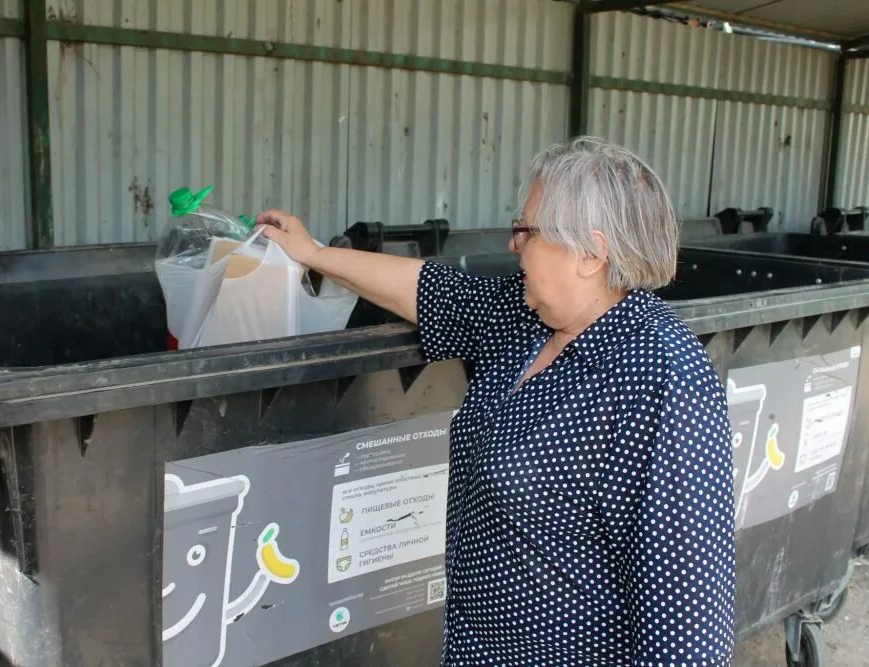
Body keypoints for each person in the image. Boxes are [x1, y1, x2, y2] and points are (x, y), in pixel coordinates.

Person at [257, 136, 735, 666]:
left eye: (525, 230)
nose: (514, 243)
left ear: (591, 253)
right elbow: (433, 292)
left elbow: (689, 629)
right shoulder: (528, 317)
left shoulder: (662, 379)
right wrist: (314, 254)